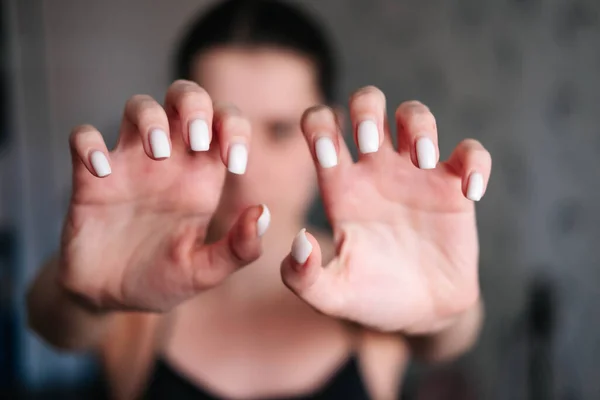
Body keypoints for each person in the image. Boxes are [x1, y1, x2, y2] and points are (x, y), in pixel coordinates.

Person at [26, 0, 491, 399]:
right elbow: (51, 319)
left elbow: (447, 338)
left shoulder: (374, 275)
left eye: (280, 130)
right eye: (215, 131)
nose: (242, 165)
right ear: (174, 128)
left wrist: (451, 306)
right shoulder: (137, 286)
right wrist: (83, 293)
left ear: (330, 132)